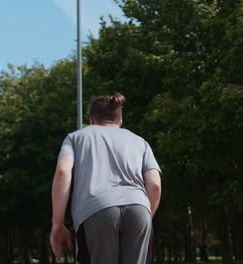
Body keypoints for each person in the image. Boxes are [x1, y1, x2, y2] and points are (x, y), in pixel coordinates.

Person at [49, 92, 162, 264]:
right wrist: (146, 216)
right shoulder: (140, 142)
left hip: (96, 209)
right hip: (138, 207)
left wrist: (57, 223)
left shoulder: (76, 137)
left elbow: (63, 172)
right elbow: (154, 184)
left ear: (92, 120)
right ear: (120, 121)